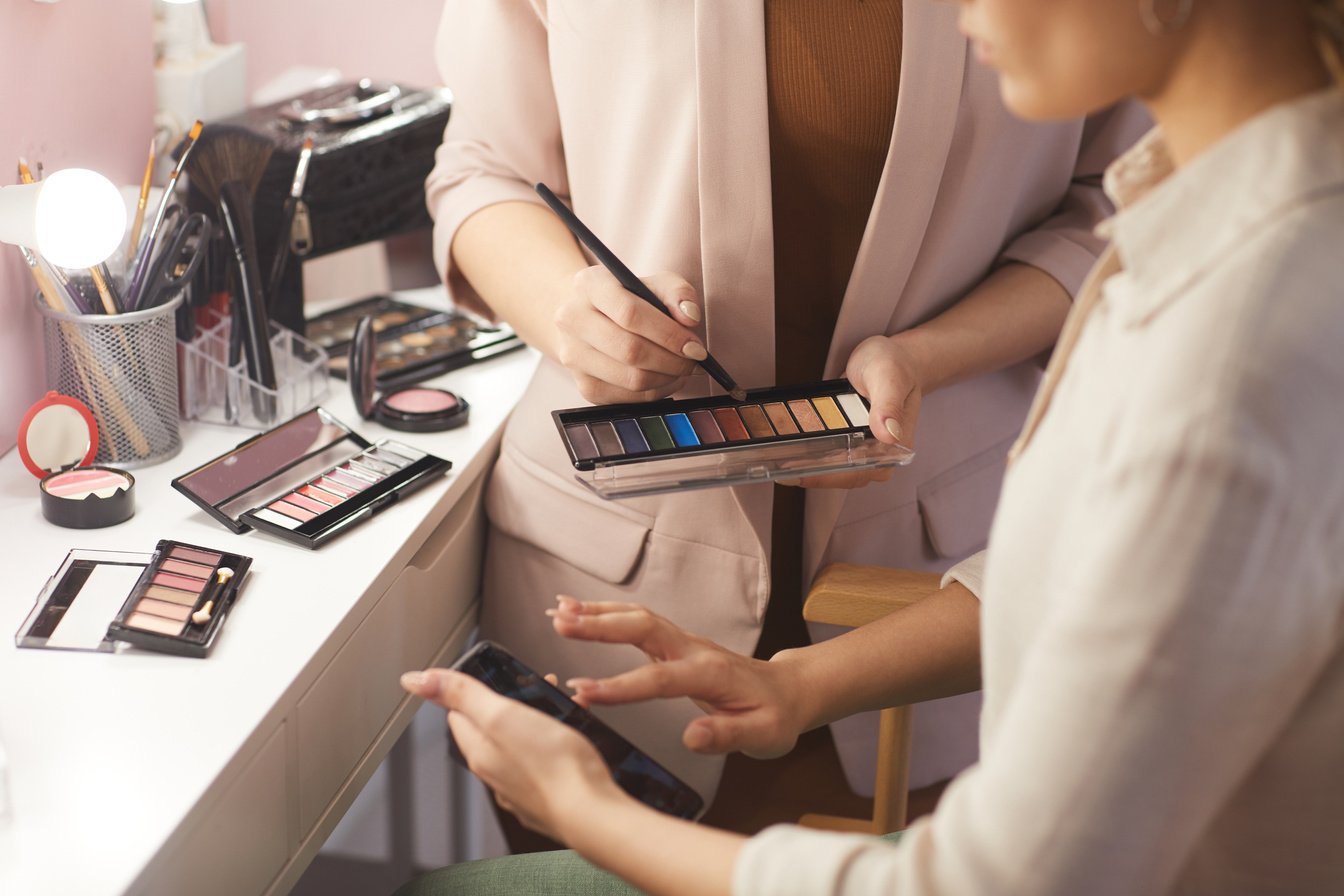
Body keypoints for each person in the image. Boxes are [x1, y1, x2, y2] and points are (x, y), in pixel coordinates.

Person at [398, 0, 1344, 891]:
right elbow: (1098, 574)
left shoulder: (1229, 353)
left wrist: (588, 811)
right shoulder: (1224, 243)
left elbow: (992, 882)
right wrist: (801, 685)